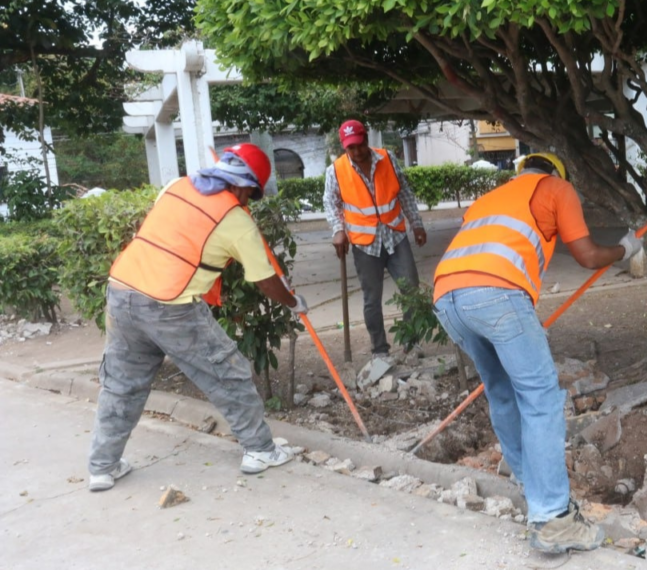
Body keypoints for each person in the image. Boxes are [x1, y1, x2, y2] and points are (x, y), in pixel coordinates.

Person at [432, 153, 643, 554]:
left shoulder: (491, 197)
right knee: (542, 397)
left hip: (447, 297)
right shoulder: (556, 189)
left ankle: (532, 484)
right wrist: (625, 247)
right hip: (496, 293)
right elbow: (586, 255)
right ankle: (553, 519)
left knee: (502, 391)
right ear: (555, 174)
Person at [88, 144, 308, 492]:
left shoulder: (175, 187)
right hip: (169, 304)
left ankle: (102, 467)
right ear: (244, 185)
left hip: (122, 291)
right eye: (251, 194)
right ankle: (260, 450)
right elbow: (266, 281)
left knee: (121, 384)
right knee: (228, 373)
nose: (249, 201)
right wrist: (294, 302)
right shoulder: (236, 220)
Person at [324, 120, 427, 359]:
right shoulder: (336, 170)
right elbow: (331, 203)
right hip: (364, 243)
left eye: (360, 145)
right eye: (351, 148)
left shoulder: (387, 158)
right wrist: (338, 230)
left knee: (410, 290)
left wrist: (417, 223)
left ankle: (412, 343)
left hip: (395, 235)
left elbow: (404, 192)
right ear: (344, 147)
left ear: (366, 140)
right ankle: (380, 350)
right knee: (372, 299)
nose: (357, 152)